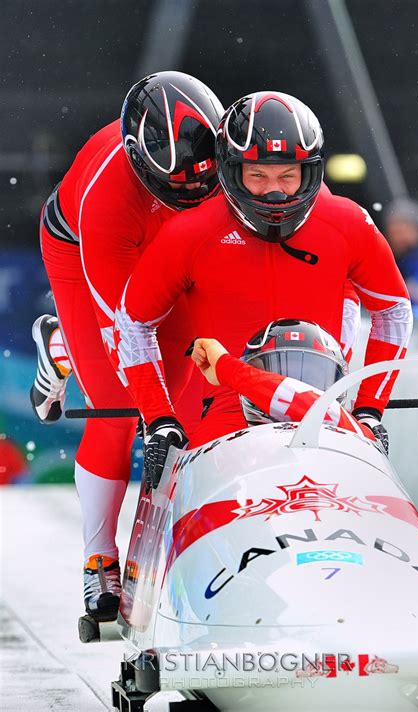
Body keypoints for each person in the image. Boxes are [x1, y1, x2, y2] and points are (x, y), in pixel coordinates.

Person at [114, 90, 413, 488]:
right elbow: (133, 322)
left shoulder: (348, 223)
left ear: (310, 173)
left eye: (288, 176)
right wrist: (160, 420)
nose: (275, 192)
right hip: (226, 418)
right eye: (258, 176)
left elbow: (393, 309)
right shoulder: (188, 234)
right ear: (231, 171)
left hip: (322, 415)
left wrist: (369, 410)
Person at [29, 71, 224, 623]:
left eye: (201, 186)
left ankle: (182, 538)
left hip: (172, 245)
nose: (190, 193)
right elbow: (132, 334)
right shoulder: (109, 201)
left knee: (193, 395)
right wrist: (154, 413)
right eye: (174, 188)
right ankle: (99, 559)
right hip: (87, 248)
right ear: (143, 165)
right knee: (118, 407)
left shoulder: (224, 153)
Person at [190, 320, 383, 450]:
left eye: (311, 377)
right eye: (275, 374)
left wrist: (226, 366)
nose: (299, 385)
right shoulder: (218, 445)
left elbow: (309, 405)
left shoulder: (357, 434)